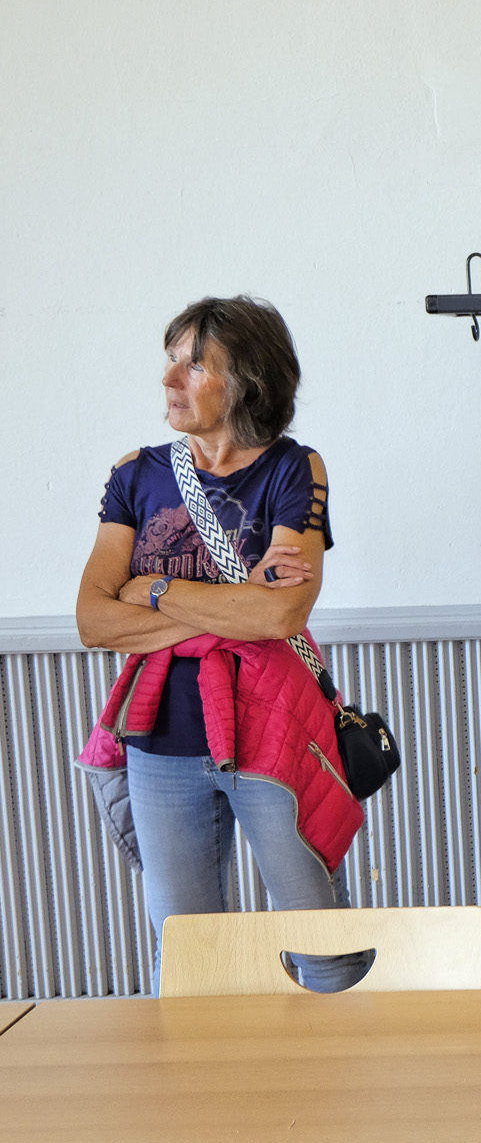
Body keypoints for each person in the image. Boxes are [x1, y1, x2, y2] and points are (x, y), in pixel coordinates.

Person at [76, 295, 363, 990]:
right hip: (161, 739)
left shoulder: (294, 468)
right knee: (190, 955)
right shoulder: (136, 474)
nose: (170, 379)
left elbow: (281, 614)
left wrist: (152, 588)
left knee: (321, 943)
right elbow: (93, 621)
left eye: (195, 366)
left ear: (247, 382)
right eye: (170, 361)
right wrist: (234, 605)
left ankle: (339, 1062)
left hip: (271, 731)